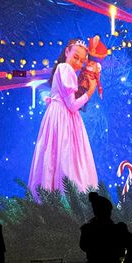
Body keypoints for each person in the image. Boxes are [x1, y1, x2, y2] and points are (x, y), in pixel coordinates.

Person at [27, 38, 99, 194]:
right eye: (75, 57)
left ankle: (50, 192)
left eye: (81, 61)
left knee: (53, 155)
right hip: (63, 118)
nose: (77, 63)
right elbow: (72, 105)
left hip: (57, 116)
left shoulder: (62, 70)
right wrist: (90, 91)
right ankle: (65, 196)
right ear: (67, 52)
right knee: (66, 158)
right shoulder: (65, 68)